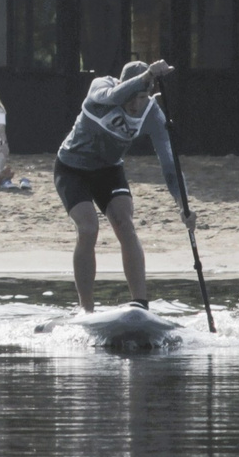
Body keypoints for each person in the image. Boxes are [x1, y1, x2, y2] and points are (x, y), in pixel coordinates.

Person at [53, 59, 179, 312]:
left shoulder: (152, 112)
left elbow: (169, 163)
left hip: (109, 170)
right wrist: (145, 77)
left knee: (125, 223)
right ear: (123, 85)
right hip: (71, 169)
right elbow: (113, 96)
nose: (135, 105)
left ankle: (140, 304)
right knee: (88, 228)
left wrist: (183, 206)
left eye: (142, 97)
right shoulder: (101, 88)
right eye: (131, 97)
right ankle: (86, 309)